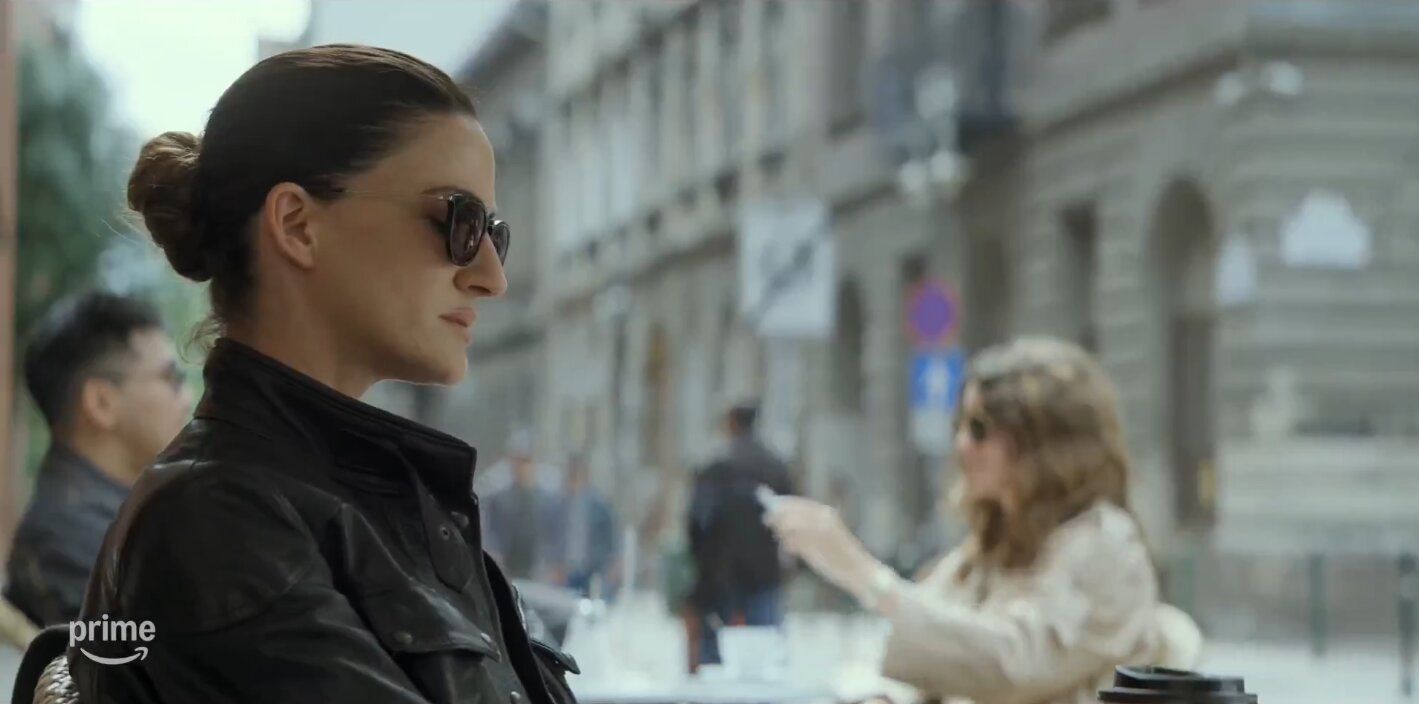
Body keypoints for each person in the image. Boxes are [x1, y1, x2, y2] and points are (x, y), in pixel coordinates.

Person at [70, 44, 580, 704]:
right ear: (297, 225)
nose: (491, 276)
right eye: (459, 221)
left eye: (495, 234)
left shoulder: (379, 496)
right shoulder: (215, 523)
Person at [767, 337, 1202, 704]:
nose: (962, 445)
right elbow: (915, 647)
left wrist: (865, 575)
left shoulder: (1107, 544)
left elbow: (1015, 664)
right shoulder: (987, 547)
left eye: (980, 429)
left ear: (1045, 443)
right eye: (960, 425)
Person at [4, 292, 190, 627]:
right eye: (170, 379)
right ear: (101, 403)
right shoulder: (68, 544)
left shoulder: (117, 522)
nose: (187, 397)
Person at [687, 400, 795, 667]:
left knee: (716, 660)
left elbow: (698, 522)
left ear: (731, 424)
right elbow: (792, 520)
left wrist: (702, 563)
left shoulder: (715, 468)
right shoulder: (775, 467)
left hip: (721, 574)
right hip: (764, 572)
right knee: (766, 654)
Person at [484, 440, 564, 583]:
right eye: (519, 463)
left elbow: (554, 535)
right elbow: (491, 532)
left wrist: (554, 563)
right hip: (508, 566)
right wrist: (495, 556)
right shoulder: (499, 499)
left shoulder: (548, 502)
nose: (523, 468)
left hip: (537, 568)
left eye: (527, 462)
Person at [557, 453, 618, 597]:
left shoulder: (599, 505)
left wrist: (611, 563)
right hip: (565, 569)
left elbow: (609, 536)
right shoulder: (559, 503)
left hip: (590, 567)